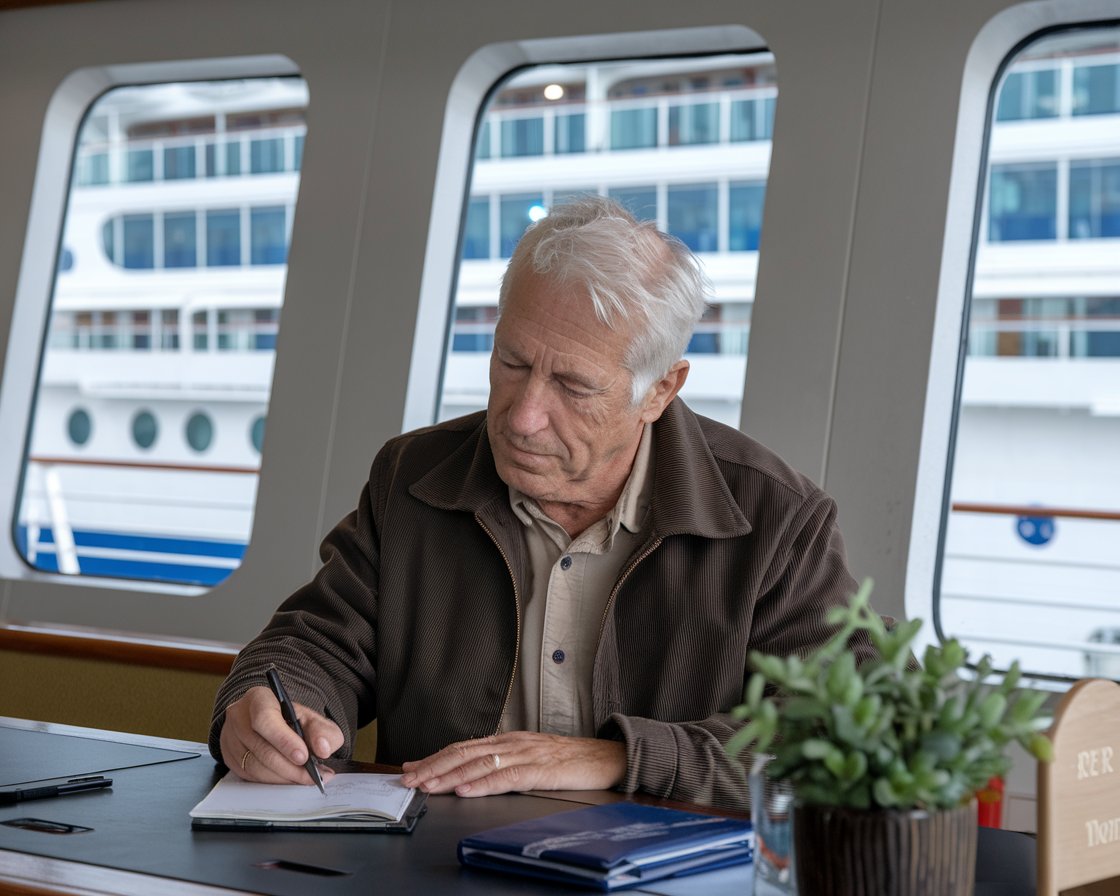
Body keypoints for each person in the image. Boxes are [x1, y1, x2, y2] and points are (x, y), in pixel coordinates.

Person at [210, 195, 872, 811]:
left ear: (659, 391)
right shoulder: (412, 476)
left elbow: (842, 733)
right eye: (511, 362)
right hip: (437, 869)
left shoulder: (780, 520)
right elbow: (319, 640)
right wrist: (270, 704)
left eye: (573, 386)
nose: (523, 417)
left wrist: (615, 759)